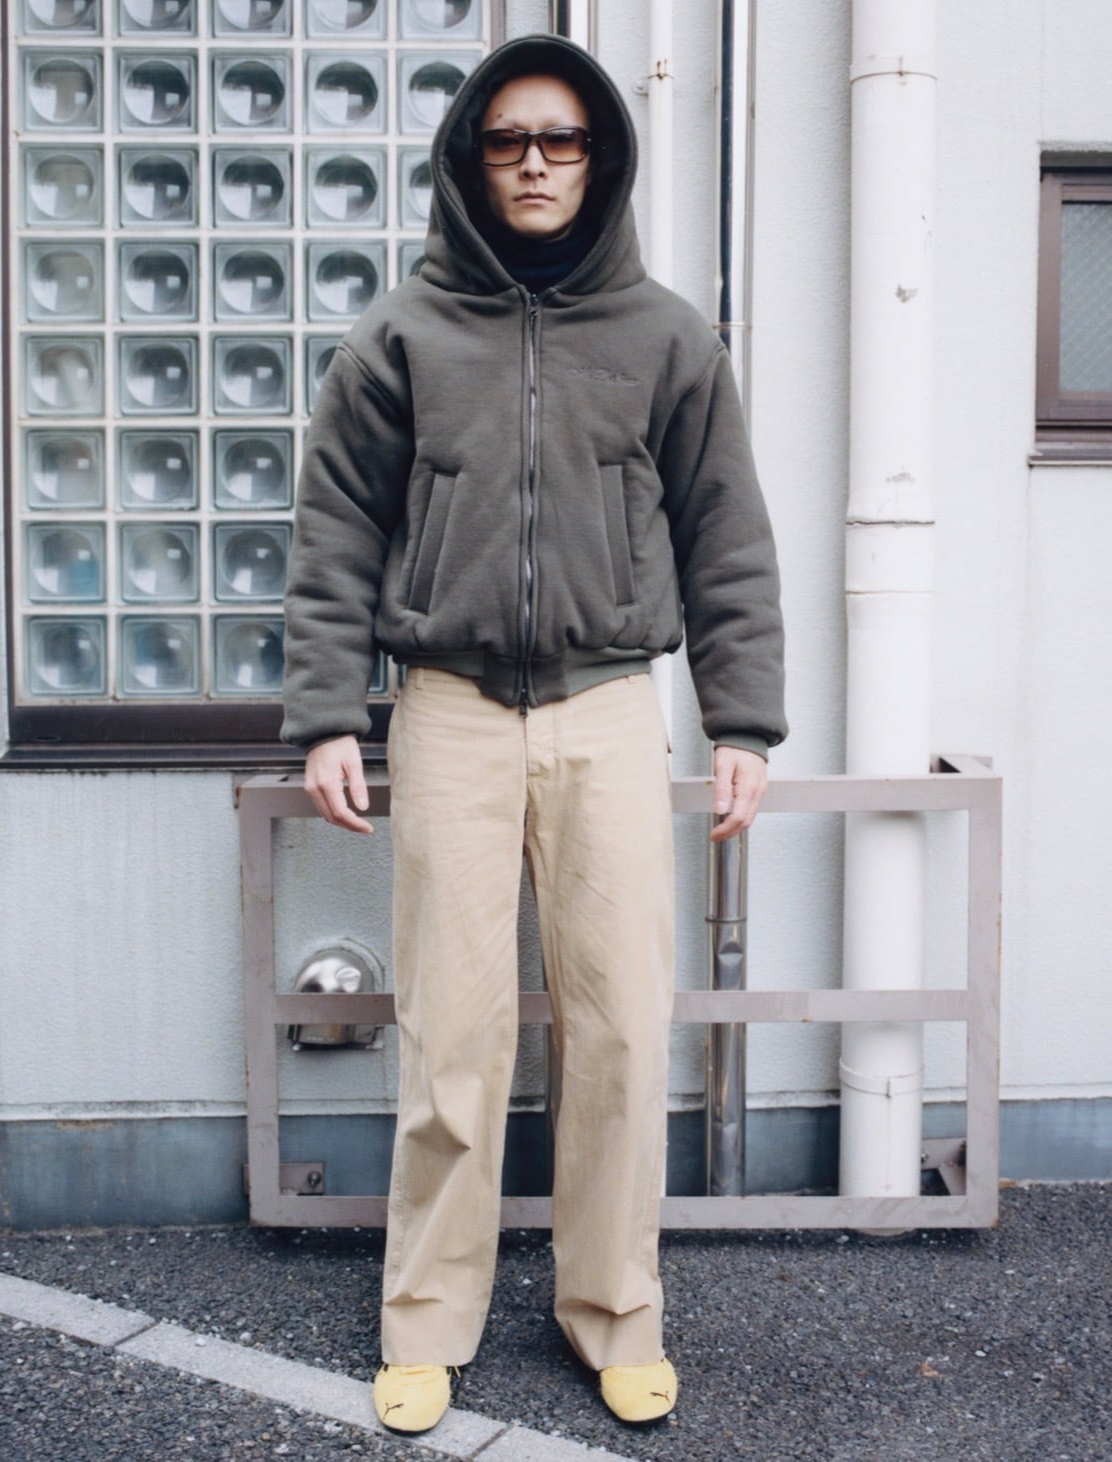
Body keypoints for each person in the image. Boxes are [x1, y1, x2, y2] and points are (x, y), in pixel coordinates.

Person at [282, 34, 786, 1435]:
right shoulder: (402, 337)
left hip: (609, 706)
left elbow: (728, 535)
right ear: (471, 159)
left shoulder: (668, 339)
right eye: (509, 140)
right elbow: (335, 532)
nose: (537, 163)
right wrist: (327, 709)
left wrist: (741, 716)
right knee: (452, 1031)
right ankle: (425, 1319)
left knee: (619, 1028)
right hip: (447, 708)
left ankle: (613, 1310)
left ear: (600, 157)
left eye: (562, 139)